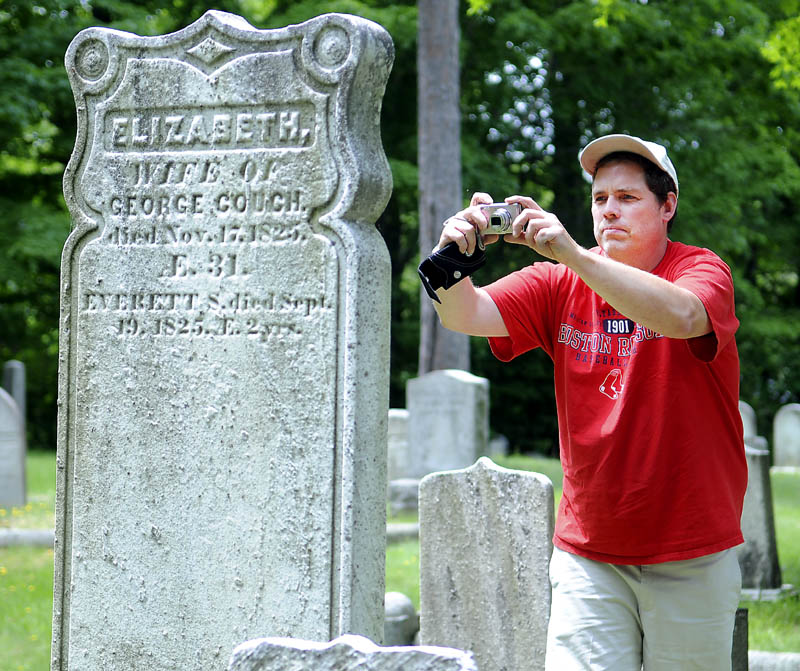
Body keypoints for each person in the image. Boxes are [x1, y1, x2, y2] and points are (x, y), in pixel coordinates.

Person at [428, 134, 747, 670]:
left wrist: (574, 256)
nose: (609, 211)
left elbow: (683, 317)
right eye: (600, 199)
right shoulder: (558, 281)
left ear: (667, 206)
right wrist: (451, 260)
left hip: (692, 551)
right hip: (589, 553)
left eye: (627, 198)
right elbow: (466, 315)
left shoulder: (701, 270)